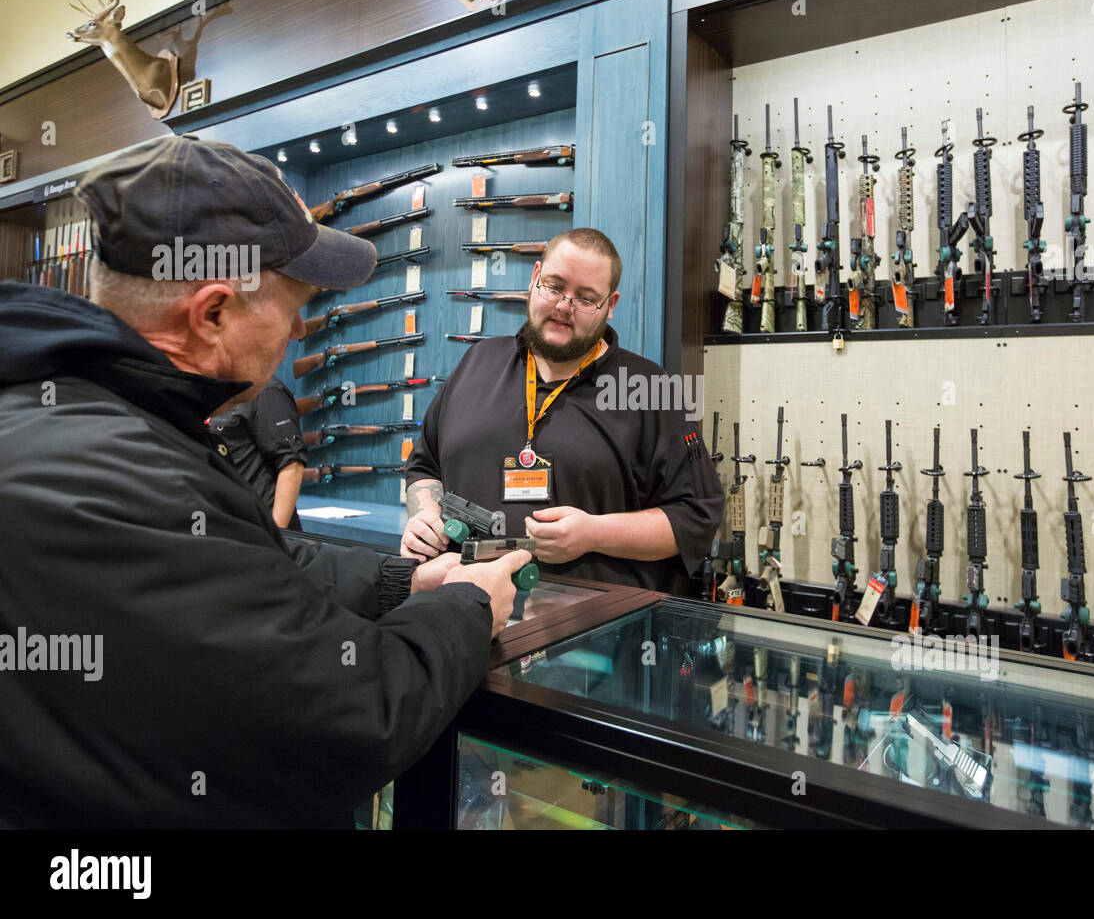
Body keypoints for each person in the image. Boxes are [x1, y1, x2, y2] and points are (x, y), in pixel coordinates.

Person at [0, 134, 528, 828]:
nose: (300, 327)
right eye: (292, 303)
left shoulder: (77, 418)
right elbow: (352, 717)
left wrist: (404, 584)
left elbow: (239, 568)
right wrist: (466, 606)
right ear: (213, 312)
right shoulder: (123, 466)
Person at [401, 227, 723, 593]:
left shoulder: (653, 389)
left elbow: (698, 516)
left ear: (611, 305)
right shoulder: (477, 361)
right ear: (535, 277)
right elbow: (424, 468)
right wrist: (425, 513)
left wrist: (594, 534)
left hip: (588, 635)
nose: (563, 306)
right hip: (461, 614)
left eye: (586, 298)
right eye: (554, 286)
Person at [208, 375, 307, 529]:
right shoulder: (211, 390)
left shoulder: (266, 390)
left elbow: (292, 464)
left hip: (259, 526)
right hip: (224, 522)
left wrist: (277, 536)